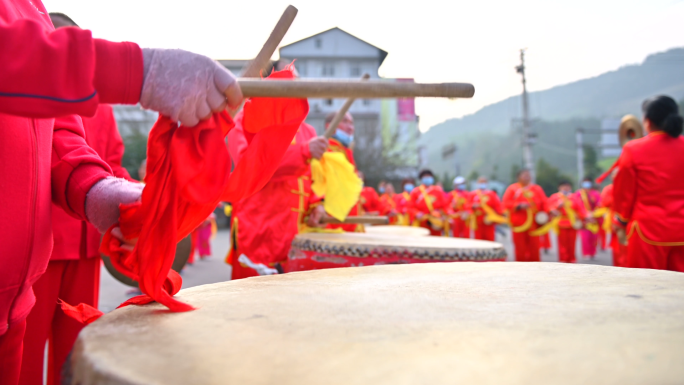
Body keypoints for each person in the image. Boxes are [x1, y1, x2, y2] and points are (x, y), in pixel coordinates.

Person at [0, 3, 244, 381]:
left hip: (20, 289)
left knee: (74, 352)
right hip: (49, 247)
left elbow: (55, 139)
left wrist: (102, 192)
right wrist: (139, 72)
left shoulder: (30, 7)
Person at [18, 18, 140, 385]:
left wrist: (138, 196)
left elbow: (113, 164)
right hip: (43, 244)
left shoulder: (97, 102)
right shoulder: (25, 90)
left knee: (77, 345)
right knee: (26, 349)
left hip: (86, 241)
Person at [226, 63, 324, 280]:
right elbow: (249, 165)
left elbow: (310, 178)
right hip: (260, 229)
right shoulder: (245, 118)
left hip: (296, 232)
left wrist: (317, 205)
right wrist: (303, 152)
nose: (294, 87)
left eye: (296, 81)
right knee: (252, 302)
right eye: (286, 81)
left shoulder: (308, 130)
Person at [613, 95, 684, 272]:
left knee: (646, 289)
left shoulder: (633, 149)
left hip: (648, 232)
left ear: (647, 122)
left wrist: (620, 220)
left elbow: (625, 194)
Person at [503, 169, 548, 262]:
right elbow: (505, 203)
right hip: (518, 224)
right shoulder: (512, 189)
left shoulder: (537, 189)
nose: (527, 177)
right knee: (520, 248)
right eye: (525, 175)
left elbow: (545, 202)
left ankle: (535, 268)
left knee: (535, 247)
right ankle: (521, 269)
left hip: (534, 224)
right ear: (518, 177)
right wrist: (518, 206)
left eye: (528, 175)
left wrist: (548, 213)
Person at [547, 181, 586, 263]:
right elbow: (549, 207)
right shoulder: (555, 197)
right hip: (561, 223)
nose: (565, 188)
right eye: (563, 186)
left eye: (567, 186)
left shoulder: (574, 197)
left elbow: (580, 209)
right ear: (559, 188)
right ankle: (563, 259)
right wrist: (557, 205)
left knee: (572, 243)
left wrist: (584, 218)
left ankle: (571, 259)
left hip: (572, 223)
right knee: (562, 243)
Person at [598, 169, 627, 267]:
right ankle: (619, 266)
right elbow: (604, 203)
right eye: (615, 175)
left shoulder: (629, 187)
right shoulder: (608, 189)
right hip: (615, 219)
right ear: (611, 177)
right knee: (617, 245)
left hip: (629, 219)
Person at [408, 169, 450, 236]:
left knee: (436, 242)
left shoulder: (438, 190)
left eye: (429, 177)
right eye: (425, 177)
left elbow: (445, 205)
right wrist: (417, 213)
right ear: (421, 179)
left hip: (435, 222)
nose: (428, 178)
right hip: (421, 223)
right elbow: (410, 207)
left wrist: (447, 214)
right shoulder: (415, 192)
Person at [467, 176, 503, 241]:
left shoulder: (492, 194)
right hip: (477, 222)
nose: (482, 183)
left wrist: (497, 216)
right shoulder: (473, 194)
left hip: (489, 221)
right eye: (481, 182)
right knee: (478, 241)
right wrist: (473, 206)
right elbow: (467, 206)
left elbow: (498, 206)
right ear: (477, 183)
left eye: (484, 182)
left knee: (490, 240)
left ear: (487, 183)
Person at [575, 178, 601, 259]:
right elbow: (576, 206)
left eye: (588, 183)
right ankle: (586, 253)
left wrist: (594, 215)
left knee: (594, 237)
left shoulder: (595, 193)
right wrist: (585, 215)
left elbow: (600, 205)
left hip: (594, 218)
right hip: (584, 220)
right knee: (585, 237)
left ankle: (593, 252)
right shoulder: (578, 194)